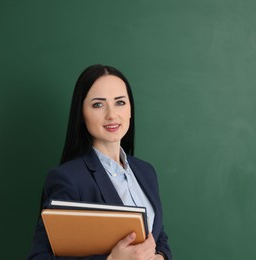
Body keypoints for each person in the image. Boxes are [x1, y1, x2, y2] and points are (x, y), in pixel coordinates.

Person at [27, 64, 172, 260]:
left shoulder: (146, 172)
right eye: (98, 104)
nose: (111, 114)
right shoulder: (67, 179)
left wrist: (161, 256)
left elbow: (159, 236)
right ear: (81, 114)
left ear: (130, 109)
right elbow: (39, 258)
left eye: (120, 102)